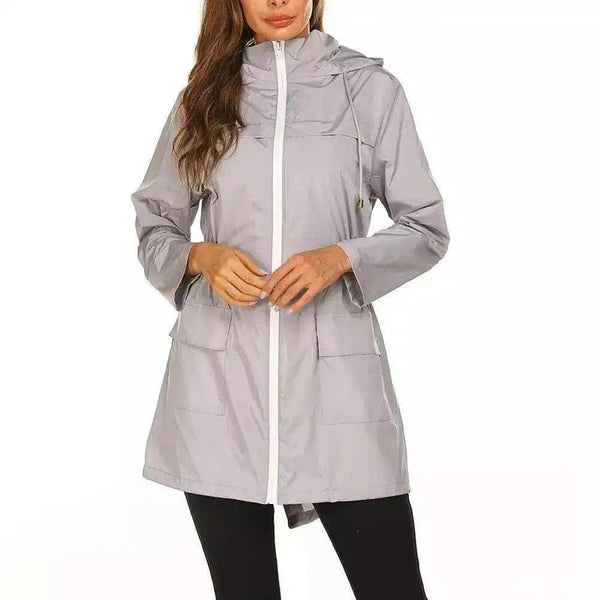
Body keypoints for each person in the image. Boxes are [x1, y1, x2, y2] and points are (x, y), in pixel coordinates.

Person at [131, 1, 450, 598]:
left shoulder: (370, 92)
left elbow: (425, 229)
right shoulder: (201, 101)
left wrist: (341, 257)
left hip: (337, 385)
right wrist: (202, 256)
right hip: (218, 387)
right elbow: (156, 228)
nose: (278, 1)